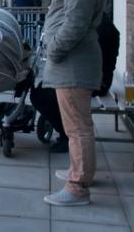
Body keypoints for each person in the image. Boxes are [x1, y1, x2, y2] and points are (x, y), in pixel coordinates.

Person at [41, 0, 110, 206]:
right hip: (72, 62)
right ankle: (79, 171)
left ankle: (77, 187)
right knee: (77, 125)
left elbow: (76, 23)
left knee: (78, 127)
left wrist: (54, 50)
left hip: (73, 63)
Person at [31, 12, 120, 153]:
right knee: (44, 89)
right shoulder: (100, 22)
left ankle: (67, 136)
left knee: (40, 95)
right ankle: (61, 124)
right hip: (97, 80)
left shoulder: (91, 29)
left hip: (91, 82)